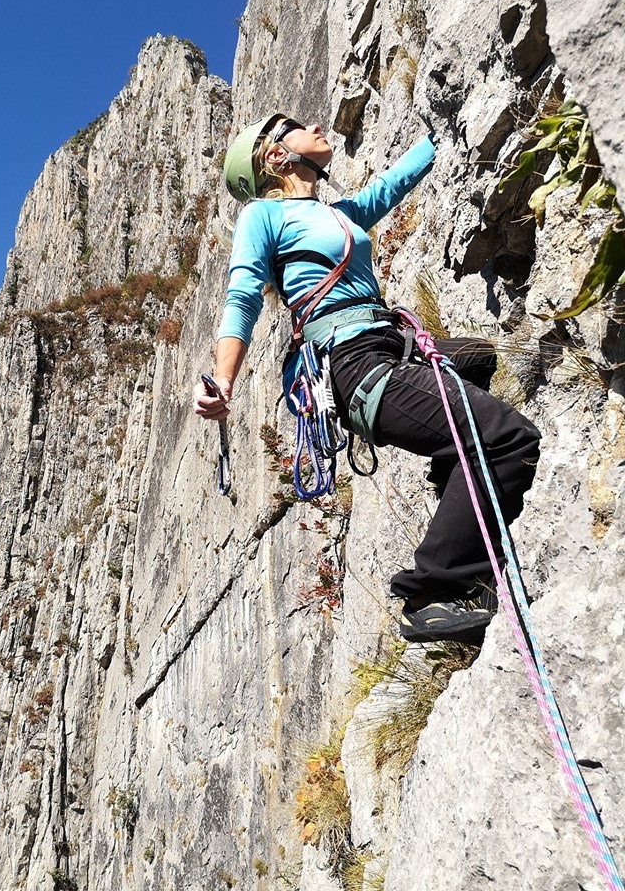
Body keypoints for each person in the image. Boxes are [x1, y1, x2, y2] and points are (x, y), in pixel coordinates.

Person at [193, 114, 541, 643]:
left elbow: (387, 189)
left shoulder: (334, 214)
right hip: (353, 362)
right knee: (507, 439)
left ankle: (459, 480)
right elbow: (242, 296)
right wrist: (223, 379)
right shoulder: (263, 217)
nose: (312, 123)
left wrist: (447, 133)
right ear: (274, 156)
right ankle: (432, 594)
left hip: (388, 344)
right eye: (292, 126)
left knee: (477, 357)